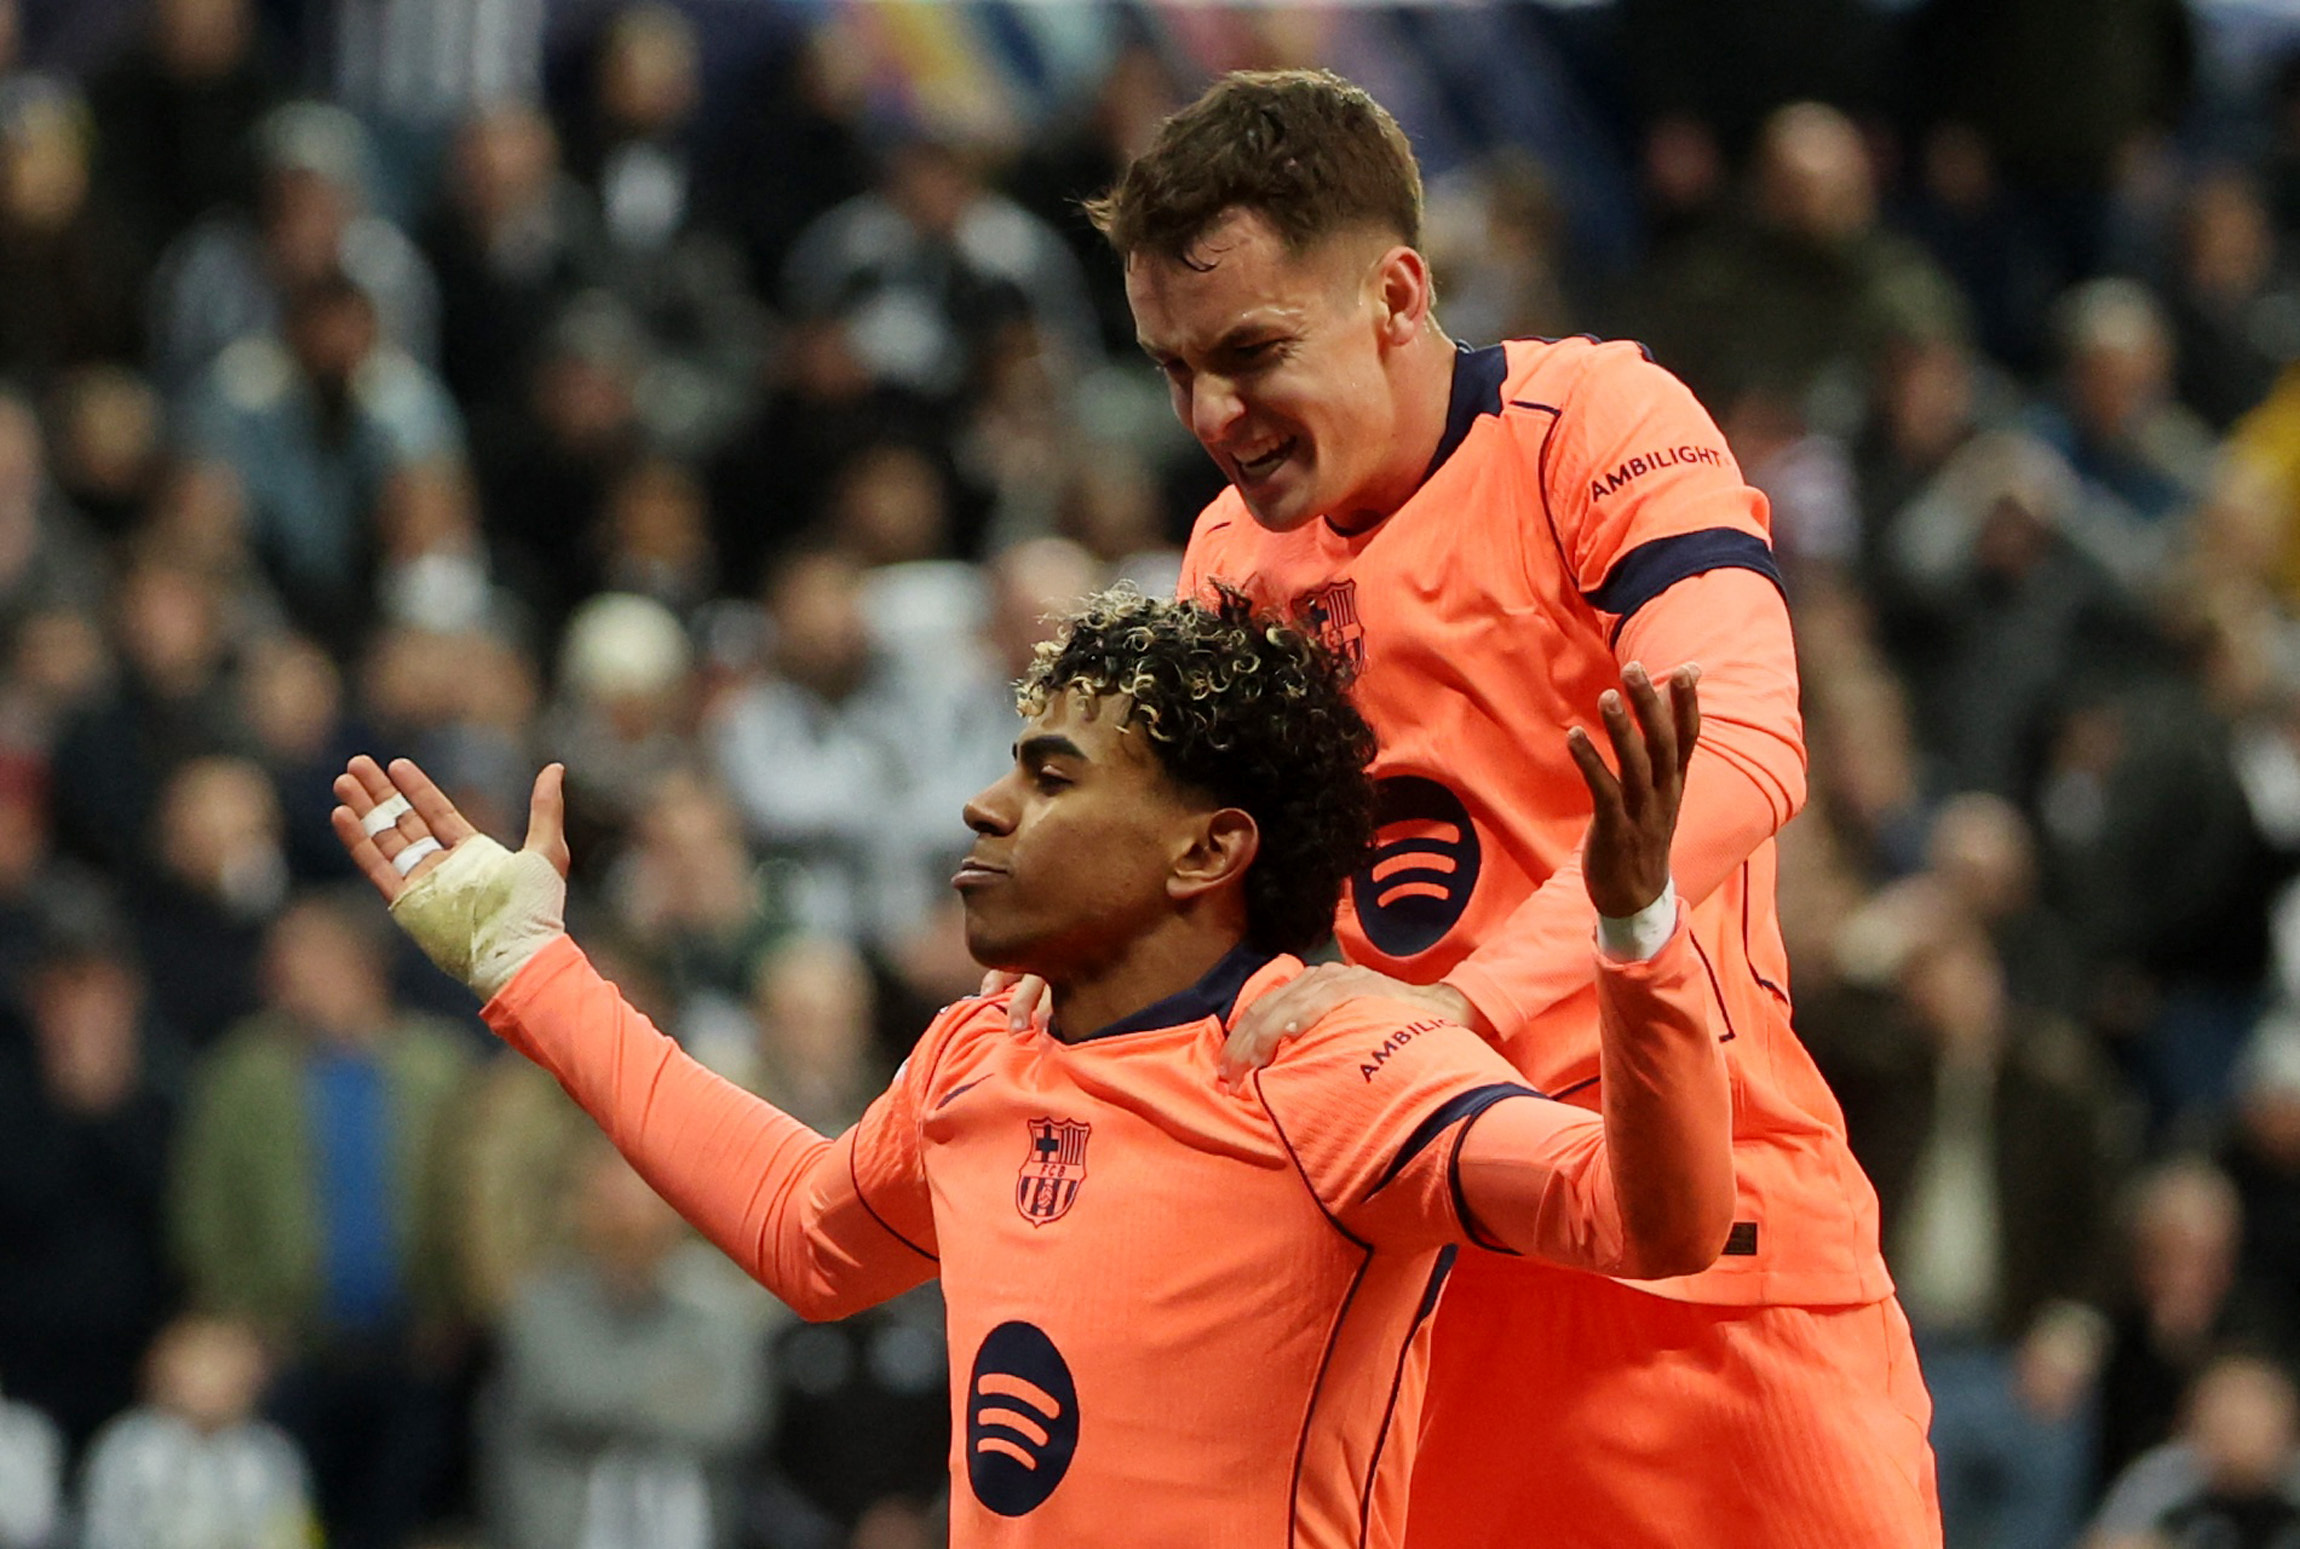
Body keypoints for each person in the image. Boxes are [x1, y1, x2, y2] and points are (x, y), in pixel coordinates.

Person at [331, 588, 1733, 1546]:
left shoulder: (1336, 1060)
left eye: (1054, 778)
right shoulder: (981, 1053)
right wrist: (531, 969)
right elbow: (802, 1236)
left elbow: (1652, 1220)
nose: (984, 802)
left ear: (1206, 849)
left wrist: (1636, 930)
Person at [1081, 68, 1939, 1547]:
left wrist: (1470, 1003)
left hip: (1714, 1270)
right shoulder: (1227, 558)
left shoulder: (1593, 421)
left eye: (1252, 351)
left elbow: (1742, 740)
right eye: (1174, 369)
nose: (1214, 412)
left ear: (1399, 297)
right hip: (1429, 1299)